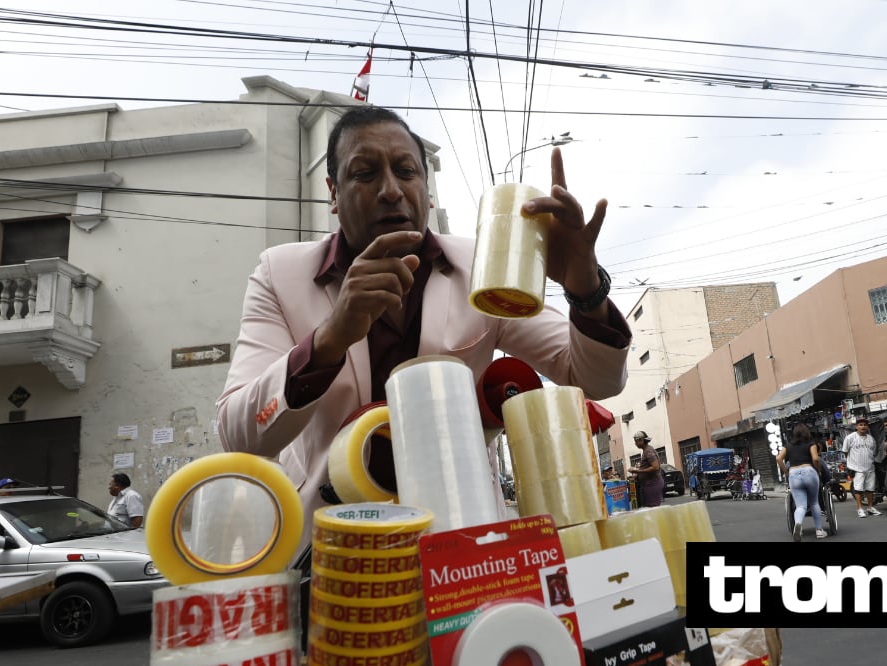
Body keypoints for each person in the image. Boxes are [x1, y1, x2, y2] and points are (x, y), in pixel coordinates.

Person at [216, 106, 630, 559]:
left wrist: (584, 289)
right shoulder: (281, 274)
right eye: (365, 173)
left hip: (464, 538)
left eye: (407, 171)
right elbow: (239, 432)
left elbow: (596, 380)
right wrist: (330, 339)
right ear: (333, 193)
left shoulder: (480, 267)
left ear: (427, 192)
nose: (391, 191)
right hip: (334, 547)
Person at [776, 422, 825, 541]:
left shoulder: (788, 446)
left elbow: (778, 458)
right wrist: (818, 470)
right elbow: (815, 458)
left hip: (793, 474)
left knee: (801, 506)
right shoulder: (811, 444)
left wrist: (786, 472)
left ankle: (798, 525)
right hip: (809, 472)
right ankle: (819, 531)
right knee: (814, 503)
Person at [841, 418, 881, 518]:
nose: (863, 427)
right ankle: (860, 509)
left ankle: (870, 508)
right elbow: (845, 451)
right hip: (857, 468)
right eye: (860, 425)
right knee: (858, 489)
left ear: (867, 427)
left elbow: (874, 452)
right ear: (856, 426)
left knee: (870, 489)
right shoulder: (850, 437)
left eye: (864, 425)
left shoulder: (871, 438)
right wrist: (851, 463)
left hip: (870, 467)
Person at [632, 431, 664, 507]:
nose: (635, 444)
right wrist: (638, 474)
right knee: (648, 508)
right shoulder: (646, 450)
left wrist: (638, 471)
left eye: (636, 441)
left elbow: (655, 467)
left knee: (652, 509)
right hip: (648, 484)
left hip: (652, 484)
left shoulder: (648, 451)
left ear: (641, 440)